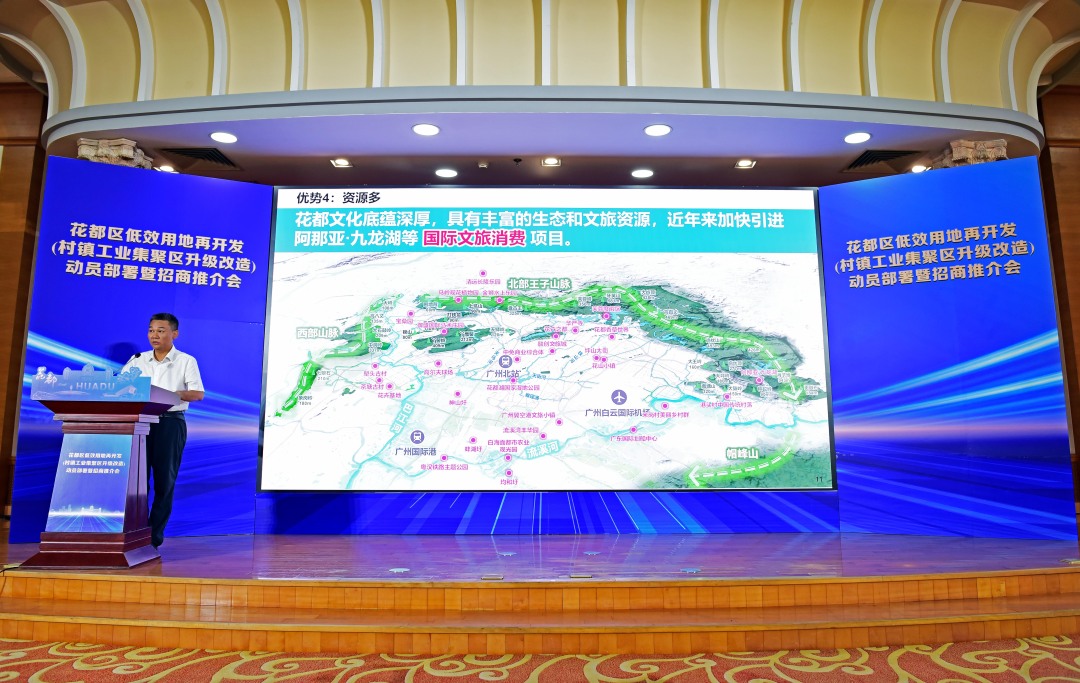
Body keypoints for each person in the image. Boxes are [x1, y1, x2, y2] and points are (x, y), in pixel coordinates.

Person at [123, 313, 204, 548]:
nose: (154, 335)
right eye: (151, 330)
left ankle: (153, 537)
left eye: (160, 330)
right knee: (137, 481)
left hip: (170, 423)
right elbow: (120, 386)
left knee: (164, 482)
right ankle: (135, 531)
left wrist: (167, 395)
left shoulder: (186, 361)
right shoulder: (137, 360)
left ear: (174, 334)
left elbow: (197, 393)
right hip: (140, 424)